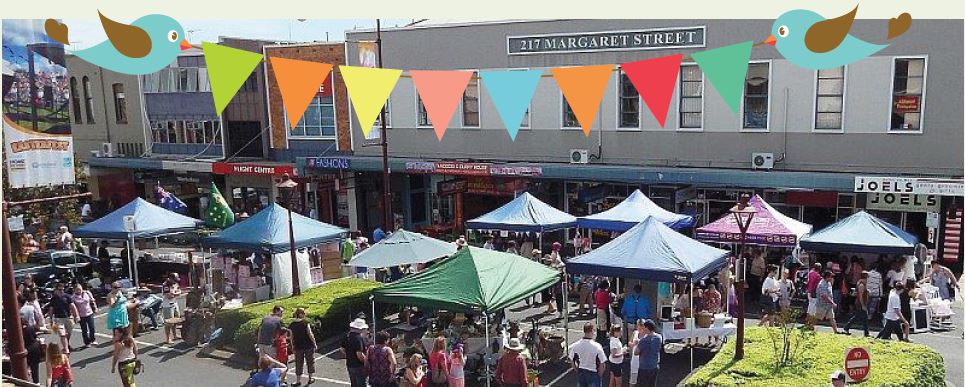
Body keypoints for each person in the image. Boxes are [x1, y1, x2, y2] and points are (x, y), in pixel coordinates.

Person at [569, 322, 607, 387]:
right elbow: (602, 362)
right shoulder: (597, 346)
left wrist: (576, 369)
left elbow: (571, 358)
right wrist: (600, 374)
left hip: (581, 372)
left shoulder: (576, 345)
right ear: (592, 331)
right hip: (593, 373)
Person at [47, 283, 79, 352]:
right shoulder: (53, 299)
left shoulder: (67, 297)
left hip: (68, 317)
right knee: (62, 334)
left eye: (62, 289)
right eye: (59, 290)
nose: (61, 291)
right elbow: (51, 309)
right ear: (56, 290)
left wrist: (76, 316)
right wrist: (51, 320)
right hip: (58, 319)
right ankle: (66, 349)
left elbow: (72, 306)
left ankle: (67, 344)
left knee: (69, 333)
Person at [289, 308, 318, 386]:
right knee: (310, 362)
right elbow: (310, 334)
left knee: (298, 363)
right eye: (304, 313)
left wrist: (293, 347)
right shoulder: (305, 323)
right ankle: (310, 378)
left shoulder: (292, 324)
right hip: (308, 345)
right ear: (301, 314)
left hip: (298, 346)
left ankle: (298, 381)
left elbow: (291, 337)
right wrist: (314, 343)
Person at [340, 318, 369, 387]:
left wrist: (349, 355)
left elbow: (342, 349)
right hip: (359, 366)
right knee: (361, 384)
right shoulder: (359, 338)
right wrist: (366, 362)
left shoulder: (347, 336)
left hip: (350, 364)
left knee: (354, 384)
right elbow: (359, 354)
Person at [634, 319, 662, 387]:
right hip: (654, 365)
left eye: (644, 327)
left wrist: (638, 344)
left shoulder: (643, 340)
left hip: (644, 367)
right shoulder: (659, 337)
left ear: (647, 328)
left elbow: (636, 352)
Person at [843, 271, 871, 337]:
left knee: (858, 317)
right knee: (864, 318)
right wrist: (863, 305)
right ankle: (866, 333)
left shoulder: (862, 283)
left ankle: (847, 328)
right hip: (860, 303)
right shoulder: (861, 285)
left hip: (861, 303)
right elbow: (860, 296)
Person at [71, 283, 98, 347]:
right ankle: (87, 342)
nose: (79, 290)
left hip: (89, 312)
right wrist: (74, 316)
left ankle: (93, 340)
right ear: (74, 290)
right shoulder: (73, 297)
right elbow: (72, 307)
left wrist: (95, 308)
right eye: (77, 289)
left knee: (92, 327)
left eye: (80, 289)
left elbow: (92, 301)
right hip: (81, 315)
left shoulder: (87, 293)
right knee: (84, 329)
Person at [162, 274, 182, 344]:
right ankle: (168, 339)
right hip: (167, 305)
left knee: (176, 320)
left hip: (175, 303)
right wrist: (175, 293)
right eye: (174, 280)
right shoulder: (166, 285)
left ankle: (175, 335)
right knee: (169, 323)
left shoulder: (175, 283)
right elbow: (169, 296)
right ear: (170, 278)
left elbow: (180, 291)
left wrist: (174, 293)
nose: (175, 281)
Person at [594, 280, 615, 347]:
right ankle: (603, 339)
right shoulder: (604, 293)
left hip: (598, 308)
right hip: (603, 309)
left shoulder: (597, 291)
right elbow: (610, 300)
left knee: (599, 323)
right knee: (603, 324)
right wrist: (610, 294)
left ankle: (599, 337)